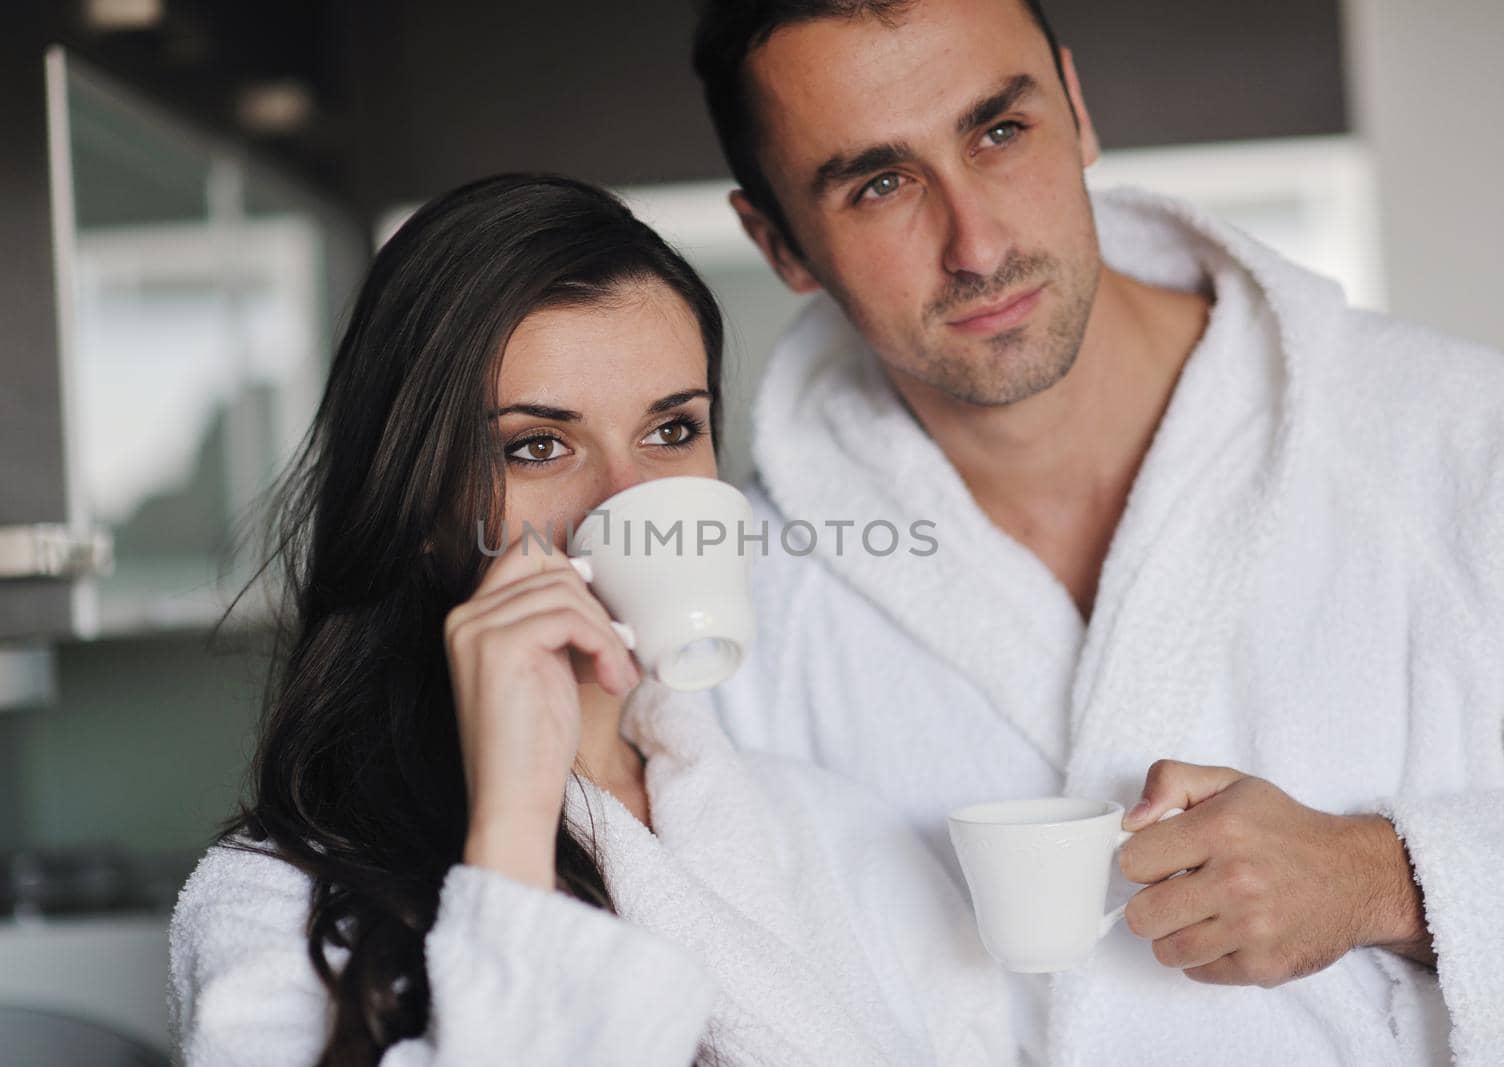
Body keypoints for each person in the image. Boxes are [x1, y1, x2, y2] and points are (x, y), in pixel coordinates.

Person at [690, 1, 1503, 1064]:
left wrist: (1383, 877)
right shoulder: (742, 607)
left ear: (1074, 111)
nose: (975, 244)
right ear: (777, 243)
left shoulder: (1458, 438)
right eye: (879, 184)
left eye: (998, 131)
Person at [167, 174, 1014, 1066]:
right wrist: (511, 837)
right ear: (419, 511)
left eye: (672, 430)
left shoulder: (825, 827)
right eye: (538, 446)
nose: (630, 497)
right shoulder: (271, 904)